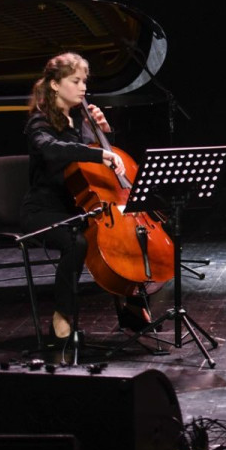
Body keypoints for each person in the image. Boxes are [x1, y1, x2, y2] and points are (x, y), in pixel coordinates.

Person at [21, 52, 135, 341]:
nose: (83, 87)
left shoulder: (79, 124)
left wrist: (102, 134)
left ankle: (131, 307)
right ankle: (61, 316)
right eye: (75, 81)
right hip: (42, 212)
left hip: (76, 209)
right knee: (77, 241)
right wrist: (98, 151)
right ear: (56, 85)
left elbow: (93, 172)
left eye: (84, 81)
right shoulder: (38, 124)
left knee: (123, 237)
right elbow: (54, 150)